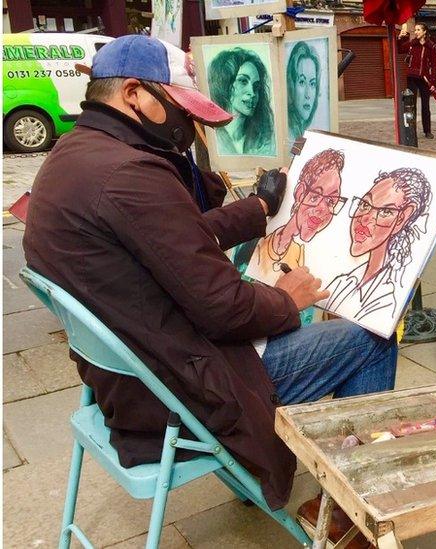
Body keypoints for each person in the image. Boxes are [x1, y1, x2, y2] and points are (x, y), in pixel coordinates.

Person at [21, 35, 397, 532]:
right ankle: (355, 514)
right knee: (371, 337)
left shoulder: (75, 154)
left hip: (128, 379)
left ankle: (283, 475)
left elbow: (170, 238)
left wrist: (259, 209)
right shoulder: (131, 174)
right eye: (180, 109)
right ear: (134, 93)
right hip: (184, 389)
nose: (189, 127)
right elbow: (226, 309)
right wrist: (287, 300)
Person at [325, 167, 432, 324]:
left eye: (385, 212)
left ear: (401, 220)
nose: (365, 218)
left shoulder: (385, 299)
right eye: (364, 204)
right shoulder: (343, 281)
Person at [251, 149, 347, 281]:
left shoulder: (299, 254)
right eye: (316, 196)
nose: (323, 209)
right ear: (300, 193)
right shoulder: (258, 238)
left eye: (331, 201)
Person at [209, 47, 276, 156]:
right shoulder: (214, 138)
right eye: (243, 81)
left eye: (256, 86)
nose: (252, 93)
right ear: (225, 83)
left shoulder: (264, 139)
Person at [398, 23, 436, 139]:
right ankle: (412, 130)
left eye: (418, 30)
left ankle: (427, 131)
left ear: (424, 31)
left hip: (424, 79)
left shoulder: (430, 46)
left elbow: (434, 66)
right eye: (415, 30)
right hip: (412, 77)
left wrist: (433, 83)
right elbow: (400, 49)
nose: (416, 32)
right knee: (411, 105)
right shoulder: (413, 44)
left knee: (425, 106)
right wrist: (402, 37)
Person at [286, 41, 321, 142]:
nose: (308, 94)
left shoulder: (303, 129)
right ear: (291, 84)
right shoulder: (287, 132)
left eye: (312, 83)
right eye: (301, 82)